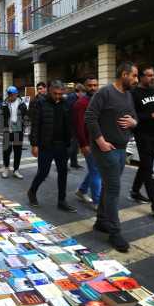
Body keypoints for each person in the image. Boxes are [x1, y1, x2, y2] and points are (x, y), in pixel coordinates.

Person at [85, 62, 139, 252]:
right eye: (134, 75)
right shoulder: (104, 93)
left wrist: (134, 122)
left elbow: (133, 116)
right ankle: (115, 232)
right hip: (106, 149)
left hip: (121, 148)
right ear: (124, 74)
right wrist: (100, 141)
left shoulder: (128, 95)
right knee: (114, 189)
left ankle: (101, 221)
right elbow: (90, 116)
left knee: (109, 187)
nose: (136, 79)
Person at [27, 80, 77, 213]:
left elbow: (70, 124)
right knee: (43, 172)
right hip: (46, 145)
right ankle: (32, 191)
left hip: (62, 145)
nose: (58, 96)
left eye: (60, 94)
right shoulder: (40, 103)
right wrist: (34, 144)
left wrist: (71, 143)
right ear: (49, 91)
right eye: (55, 93)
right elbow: (35, 125)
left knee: (63, 173)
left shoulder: (66, 103)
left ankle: (62, 200)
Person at [129, 65, 154, 215]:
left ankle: (134, 190)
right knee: (147, 168)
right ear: (140, 77)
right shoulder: (134, 94)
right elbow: (133, 116)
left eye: (153, 75)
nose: (152, 78)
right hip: (142, 135)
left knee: (146, 165)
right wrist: (151, 116)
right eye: (149, 75)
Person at [72, 76, 102, 208]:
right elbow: (78, 126)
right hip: (88, 143)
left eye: (95, 85)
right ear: (85, 87)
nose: (93, 88)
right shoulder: (81, 103)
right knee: (96, 171)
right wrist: (83, 144)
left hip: (99, 141)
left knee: (95, 170)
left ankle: (82, 190)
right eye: (90, 85)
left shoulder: (99, 100)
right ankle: (97, 201)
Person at [1, 86, 27, 179]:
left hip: (18, 130)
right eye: (10, 95)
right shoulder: (4, 104)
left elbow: (25, 116)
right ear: (8, 95)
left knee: (17, 151)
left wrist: (24, 125)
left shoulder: (22, 104)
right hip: (8, 130)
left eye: (14, 95)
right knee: (6, 151)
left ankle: (16, 170)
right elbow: (1, 117)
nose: (12, 96)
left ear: (16, 94)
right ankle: (6, 168)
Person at [65, 84, 83, 169]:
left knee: (75, 146)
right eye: (82, 92)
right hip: (71, 125)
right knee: (72, 146)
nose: (83, 95)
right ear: (79, 91)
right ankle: (64, 164)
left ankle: (74, 162)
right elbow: (69, 111)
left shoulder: (76, 98)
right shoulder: (72, 98)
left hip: (75, 124)